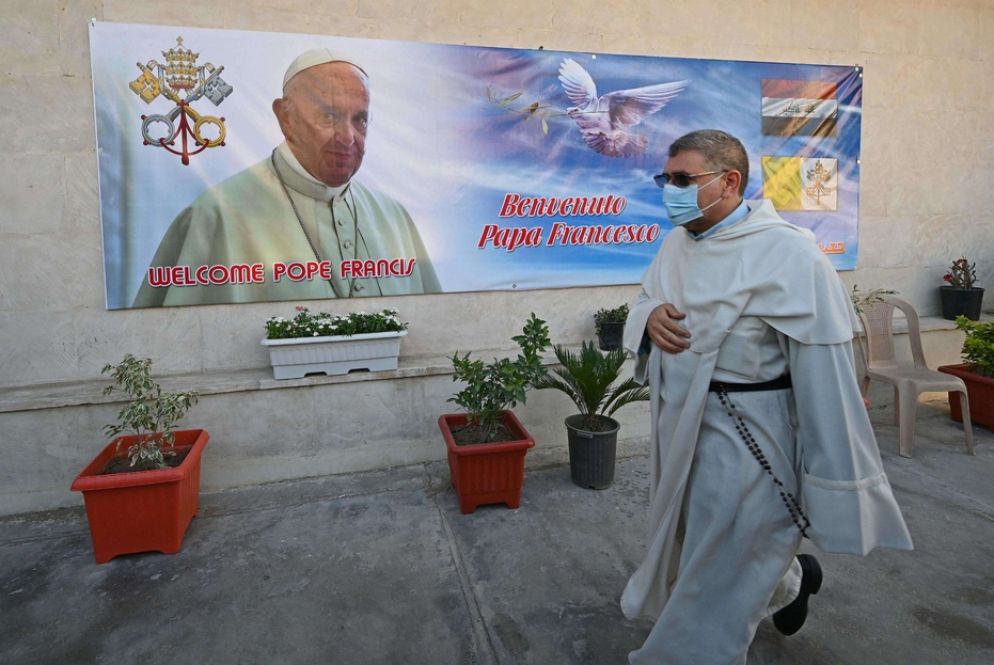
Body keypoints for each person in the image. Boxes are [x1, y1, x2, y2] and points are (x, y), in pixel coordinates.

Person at [620, 129, 913, 664]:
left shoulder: (791, 254)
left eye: (683, 179)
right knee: (705, 541)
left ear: (729, 181)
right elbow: (647, 297)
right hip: (681, 427)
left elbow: (825, 371)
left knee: (722, 561)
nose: (670, 191)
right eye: (666, 179)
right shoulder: (677, 243)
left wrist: (831, 472)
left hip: (749, 433)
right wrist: (649, 316)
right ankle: (790, 584)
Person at [133, 49, 440, 308]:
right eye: (328, 116)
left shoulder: (393, 216)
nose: (348, 138)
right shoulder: (215, 216)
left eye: (360, 119)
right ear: (286, 118)